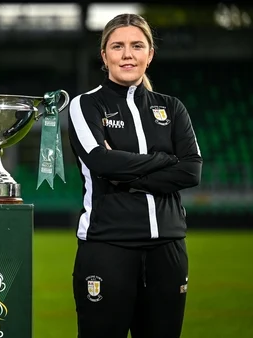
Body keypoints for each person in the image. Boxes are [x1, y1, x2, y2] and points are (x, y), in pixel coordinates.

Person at [68, 13, 202, 338]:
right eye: (118, 46)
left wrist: (125, 173)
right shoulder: (84, 105)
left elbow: (191, 169)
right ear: (104, 55)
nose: (127, 54)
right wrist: (163, 160)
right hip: (107, 246)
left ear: (149, 54)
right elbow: (101, 162)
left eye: (137, 45)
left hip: (168, 249)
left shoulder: (172, 108)